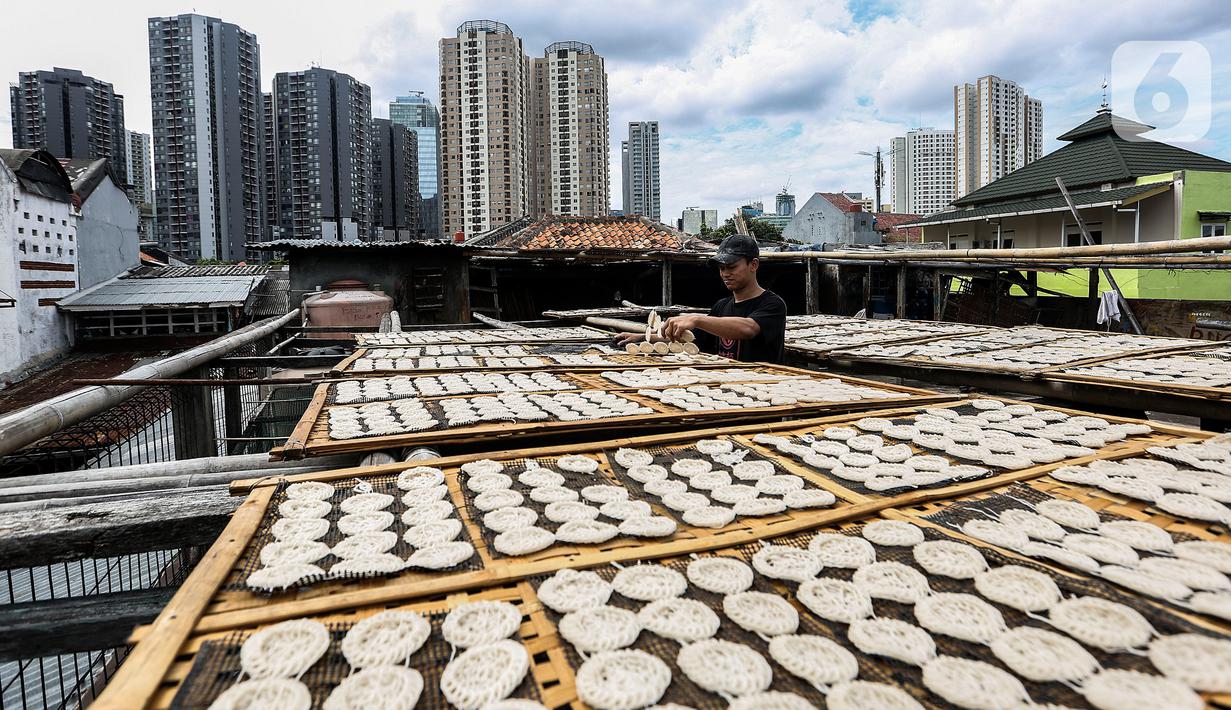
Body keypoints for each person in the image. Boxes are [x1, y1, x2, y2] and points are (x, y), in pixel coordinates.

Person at [618, 234, 787, 363]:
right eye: (721, 268)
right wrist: (642, 337)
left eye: (732, 267)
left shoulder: (772, 304)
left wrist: (697, 319)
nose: (725, 274)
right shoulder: (721, 307)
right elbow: (692, 337)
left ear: (754, 265)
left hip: (760, 383)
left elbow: (749, 329)